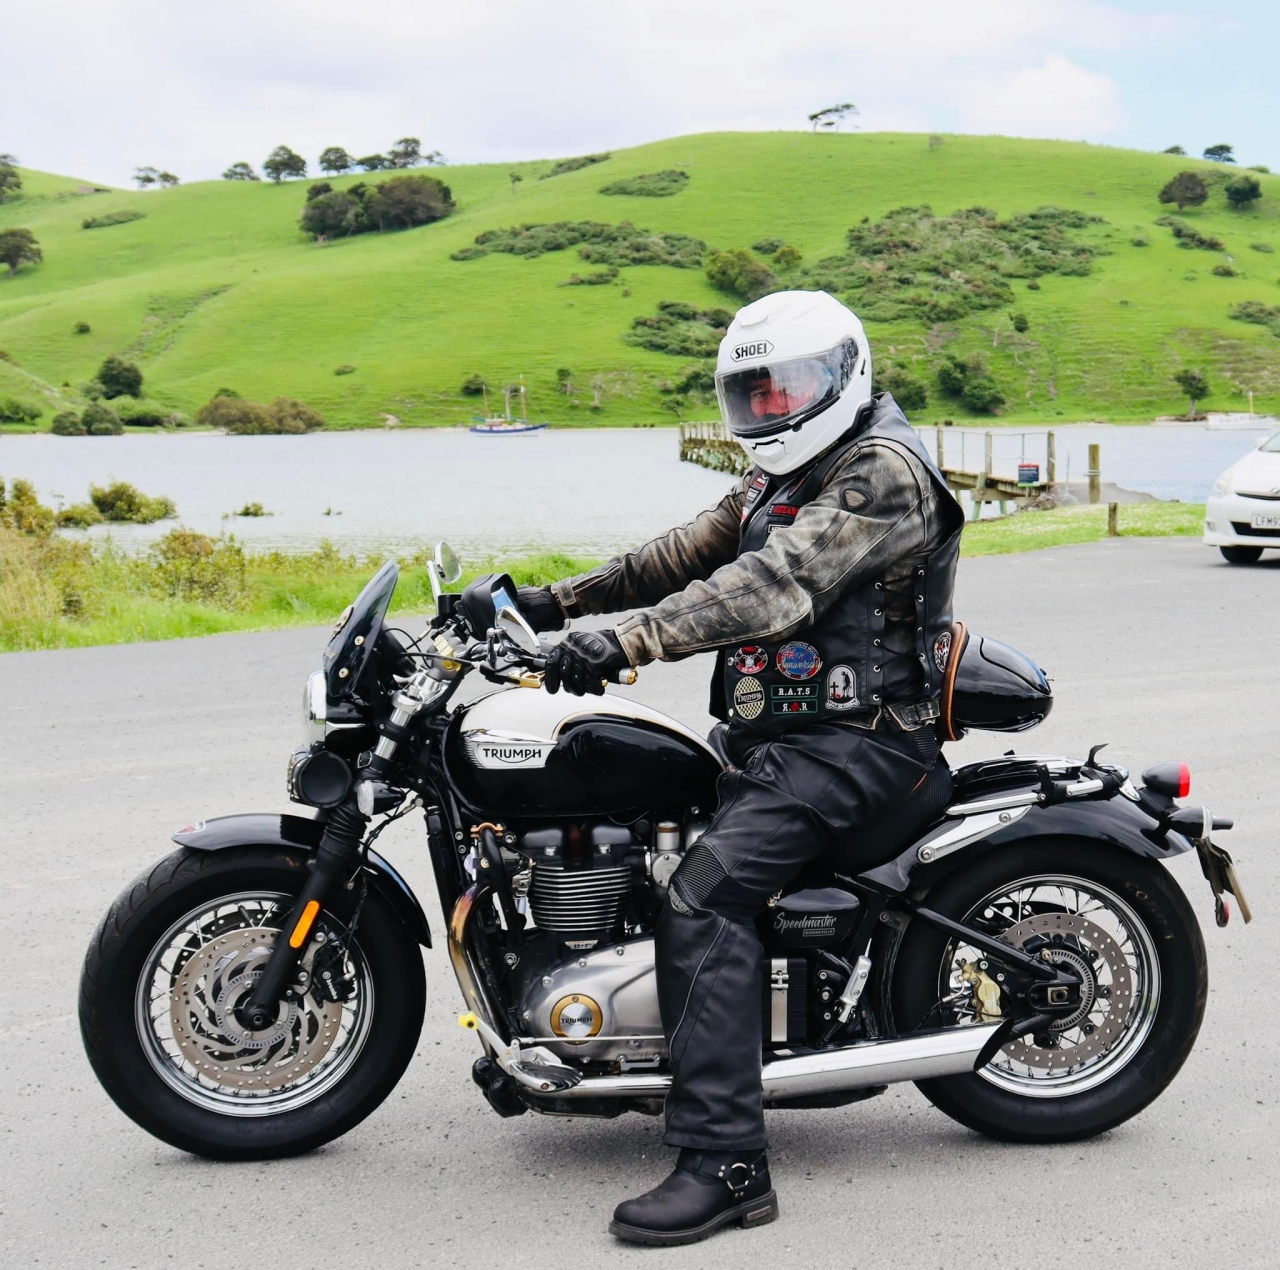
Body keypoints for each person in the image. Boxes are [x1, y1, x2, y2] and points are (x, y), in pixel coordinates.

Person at [517, 290, 965, 1247]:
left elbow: (772, 584)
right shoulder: (785, 472)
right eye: (751, 393)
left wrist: (624, 643)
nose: (768, 409)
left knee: (701, 895)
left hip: (861, 746)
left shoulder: (879, 473)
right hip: (784, 738)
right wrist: (544, 604)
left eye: (785, 388)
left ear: (843, 377)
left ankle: (728, 1164)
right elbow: (687, 551)